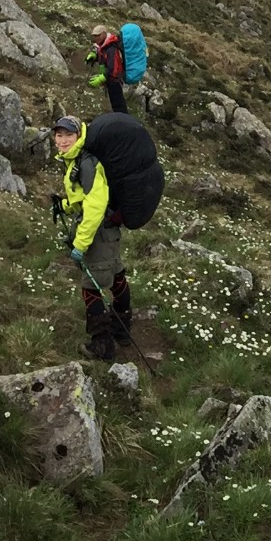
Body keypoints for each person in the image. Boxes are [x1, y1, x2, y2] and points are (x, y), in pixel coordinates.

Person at [50, 111, 166, 359]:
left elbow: (95, 204)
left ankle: (102, 345)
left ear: (79, 135)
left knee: (91, 288)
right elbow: (83, 198)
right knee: (116, 276)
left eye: (67, 134)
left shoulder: (87, 163)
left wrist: (81, 243)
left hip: (98, 232)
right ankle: (122, 328)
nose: (62, 140)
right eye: (58, 135)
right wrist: (65, 205)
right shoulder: (78, 160)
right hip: (107, 229)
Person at [86, 26, 127, 114]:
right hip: (110, 80)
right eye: (94, 36)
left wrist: (102, 78)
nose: (95, 38)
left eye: (98, 35)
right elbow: (104, 58)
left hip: (114, 81)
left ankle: (123, 120)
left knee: (118, 105)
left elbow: (113, 69)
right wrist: (94, 56)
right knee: (115, 104)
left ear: (104, 34)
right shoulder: (104, 46)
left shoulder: (111, 48)